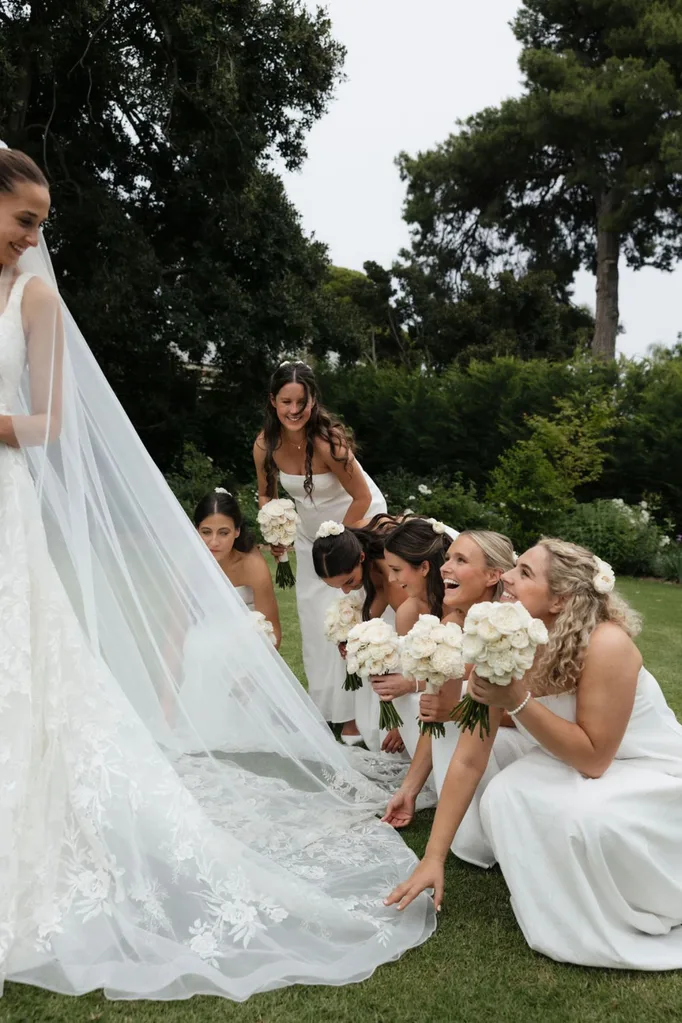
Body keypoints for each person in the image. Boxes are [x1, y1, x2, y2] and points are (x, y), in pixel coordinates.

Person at [0, 147, 434, 1001]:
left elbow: (49, 422)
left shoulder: (35, 296)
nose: (32, 236)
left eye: (41, 224)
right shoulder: (266, 443)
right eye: (24, 219)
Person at [386, 538, 682, 971]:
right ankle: (562, 904)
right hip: (573, 757)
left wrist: (516, 699)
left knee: (590, 816)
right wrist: (433, 858)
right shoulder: (501, 643)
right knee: (507, 792)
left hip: (645, 767)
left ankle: (635, 906)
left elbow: (596, 758)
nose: (506, 576)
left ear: (560, 599)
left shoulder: (606, 644)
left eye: (524, 572)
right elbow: (470, 758)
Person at [253, 361, 386, 741]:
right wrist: (274, 521)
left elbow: (361, 497)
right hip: (311, 537)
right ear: (272, 402)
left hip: (356, 525)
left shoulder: (329, 443)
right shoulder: (265, 445)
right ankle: (328, 710)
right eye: (285, 402)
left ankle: (358, 716)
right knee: (315, 623)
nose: (294, 410)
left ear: (313, 400)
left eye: (302, 401)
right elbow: (266, 492)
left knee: (352, 614)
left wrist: (344, 543)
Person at [382, 530, 519, 838]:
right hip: (478, 739)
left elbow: (522, 713)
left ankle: (486, 826)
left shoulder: (512, 628)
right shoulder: (451, 626)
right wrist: (409, 790)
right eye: (447, 559)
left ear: (493, 575)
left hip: (527, 740)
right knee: (431, 710)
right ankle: (460, 814)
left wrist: (457, 711)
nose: (445, 567)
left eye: (460, 560)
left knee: (451, 720)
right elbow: (436, 721)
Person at [193, 486, 281, 647]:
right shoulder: (189, 564)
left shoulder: (252, 566)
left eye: (223, 533)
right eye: (206, 532)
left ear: (237, 531)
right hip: (201, 647)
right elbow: (176, 630)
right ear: (196, 530)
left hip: (246, 650)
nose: (214, 542)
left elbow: (273, 631)